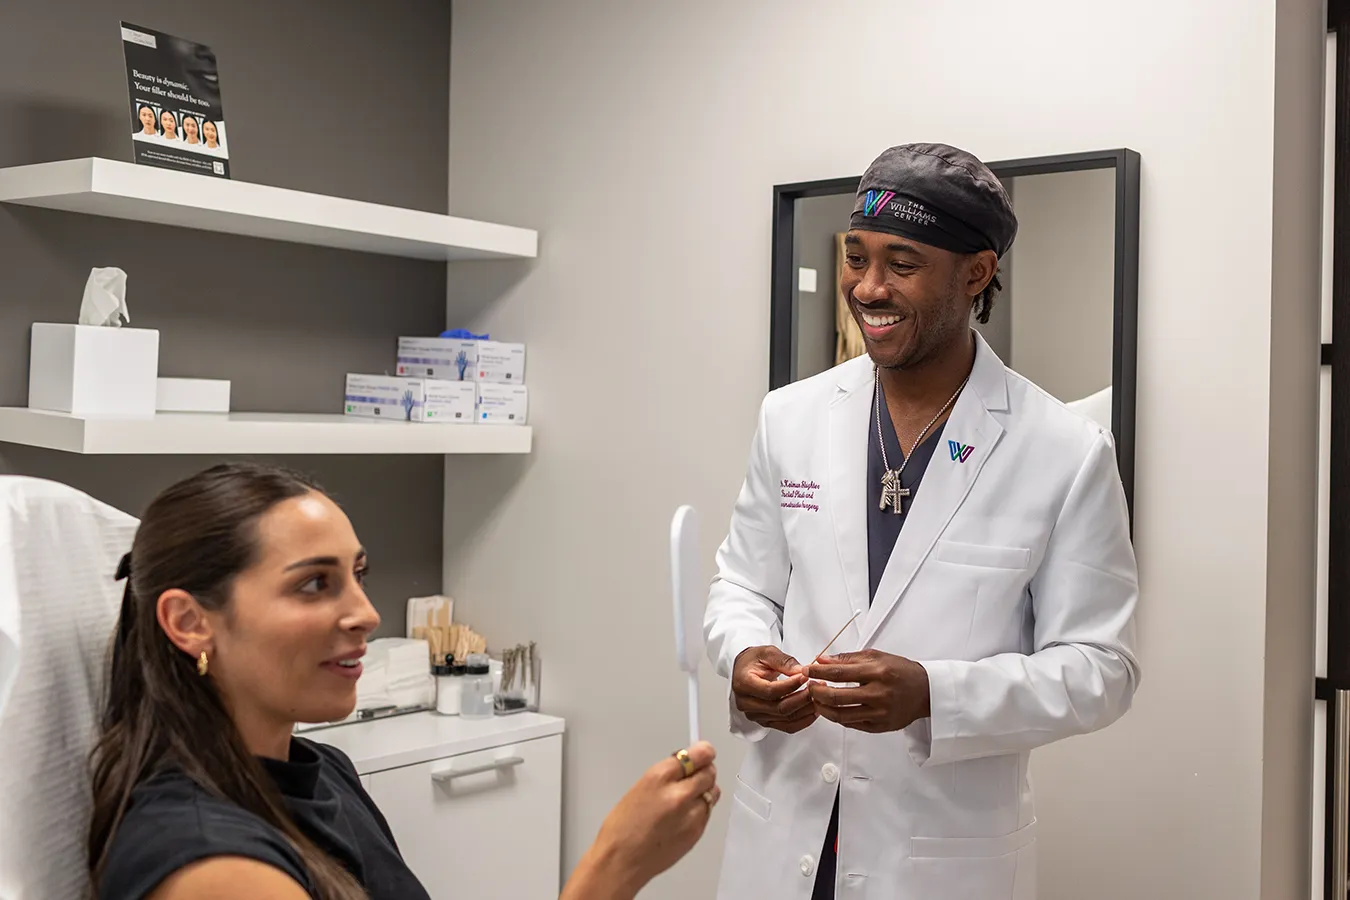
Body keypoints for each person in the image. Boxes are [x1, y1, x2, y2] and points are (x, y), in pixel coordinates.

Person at [704, 143, 1140, 899]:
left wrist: (936, 695)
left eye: (901, 263)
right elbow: (741, 584)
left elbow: (1103, 668)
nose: (868, 288)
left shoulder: (1063, 450)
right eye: (856, 257)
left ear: (975, 273)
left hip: (939, 857)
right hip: (785, 836)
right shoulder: (792, 417)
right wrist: (745, 655)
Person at [89, 463, 720, 900]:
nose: (366, 612)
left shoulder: (323, 770)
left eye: (358, 574)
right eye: (315, 583)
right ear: (189, 622)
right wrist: (614, 866)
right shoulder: (212, 865)